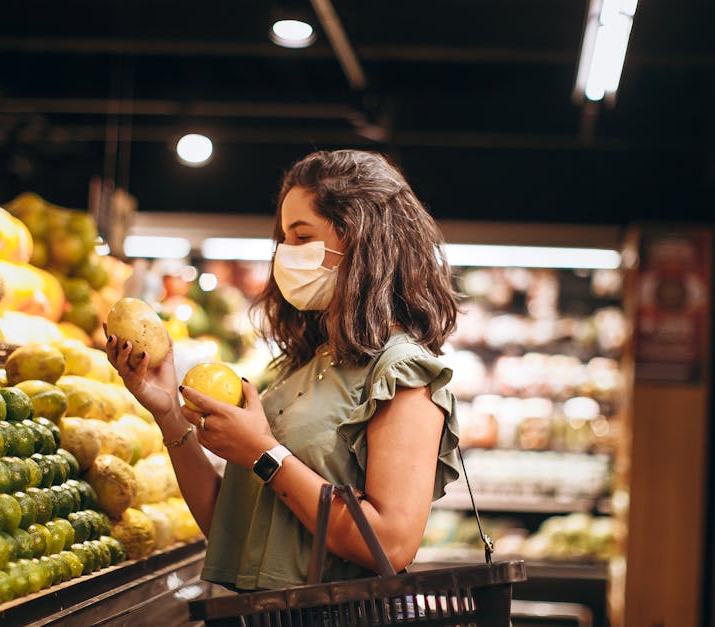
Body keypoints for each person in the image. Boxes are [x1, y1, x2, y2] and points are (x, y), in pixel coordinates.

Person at [104, 149, 462, 590]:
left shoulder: (401, 373)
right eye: (283, 238)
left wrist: (264, 453)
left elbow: (389, 544)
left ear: (361, 239)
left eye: (301, 236)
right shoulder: (304, 367)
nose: (285, 254)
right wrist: (167, 412)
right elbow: (232, 528)